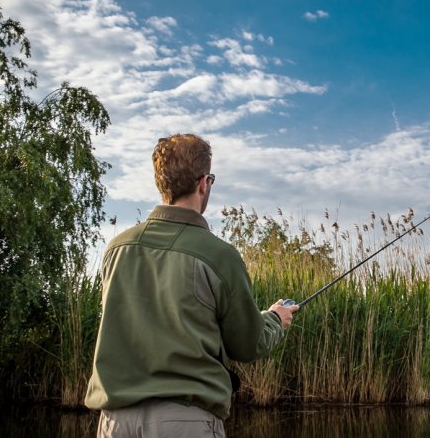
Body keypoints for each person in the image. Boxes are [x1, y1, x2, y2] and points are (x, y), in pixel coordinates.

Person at [85, 133, 299, 438]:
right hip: (184, 424)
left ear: (162, 183)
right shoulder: (219, 255)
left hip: (113, 423)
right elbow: (248, 344)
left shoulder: (116, 249)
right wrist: (276, 318)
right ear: (203, 183)